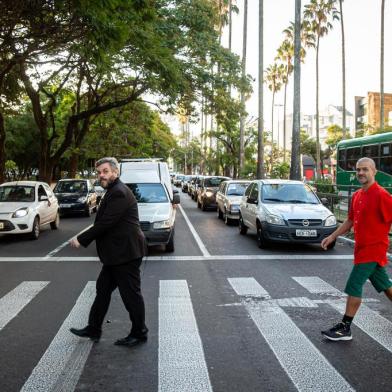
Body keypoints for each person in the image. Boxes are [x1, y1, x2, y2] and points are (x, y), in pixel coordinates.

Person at [69, 157, 148, 347]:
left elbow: (105, 223)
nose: (101, 175)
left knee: (131, 296)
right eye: (99, 172)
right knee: (102, 290)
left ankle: (139, 332)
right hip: (116, 255)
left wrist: (81, 239)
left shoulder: (119, 193)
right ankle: (93, 328)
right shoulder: (113, 191)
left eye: (105, 171)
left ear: (115, 172)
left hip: (126, 254)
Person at [321, 157, 392, 341]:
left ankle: (345, 327)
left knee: (354, 284)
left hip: (373, 249)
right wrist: (332, 236)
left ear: (374, 171)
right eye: (358, 170)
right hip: (361, 249)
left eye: (365, 169)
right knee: (386, 286)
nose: (361, 173)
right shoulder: (358, 195)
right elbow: (350, 221)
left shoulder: (382, 195)